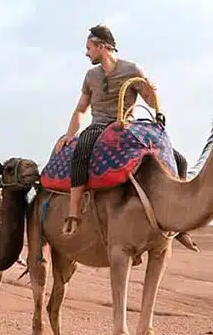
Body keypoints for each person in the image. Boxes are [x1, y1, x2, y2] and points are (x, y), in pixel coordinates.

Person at [56, 24, 164, 235]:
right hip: (99, 126)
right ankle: (74, 213)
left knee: (173, 157)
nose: (86, 53)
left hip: (127, 125)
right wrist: (70, 135)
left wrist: (152, 90)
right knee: (82, 148)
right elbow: (80, 109)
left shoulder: (132, 70)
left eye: (89, 48)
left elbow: (151, 103)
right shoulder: (91, 76)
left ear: (101, 47)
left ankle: (176, 222)